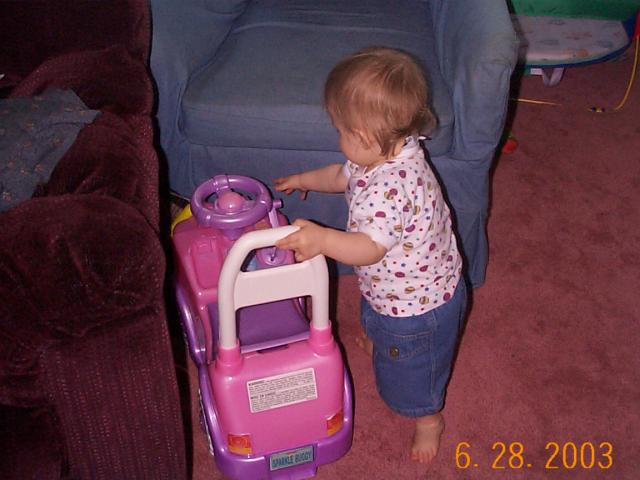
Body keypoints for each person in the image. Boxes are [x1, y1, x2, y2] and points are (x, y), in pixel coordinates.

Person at [274, 47, 467, 465]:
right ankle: (380, 342)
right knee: (375, 319)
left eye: (341, 131)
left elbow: (367, 249)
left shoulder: (390, 190)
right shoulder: (386, 149)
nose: (338, 138)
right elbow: (341, 175)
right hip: (394, 289)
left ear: (363, 136)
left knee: (413, 374)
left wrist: (323, 240)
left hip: (416, 310)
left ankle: (429, 416)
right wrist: (305, 179)